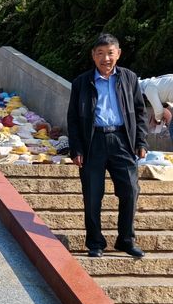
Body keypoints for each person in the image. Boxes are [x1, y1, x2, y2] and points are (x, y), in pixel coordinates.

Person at [67, 33, 148, 259]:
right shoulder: (81, 83)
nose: (106, 58)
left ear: (118, 54)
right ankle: (95, 242)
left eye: (110, 53)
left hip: (123, 141)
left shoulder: (129, 78)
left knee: (130, 191)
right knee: (92, 195)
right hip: (93, 143)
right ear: (93, 56)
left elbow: (140, 113)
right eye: (100, 54)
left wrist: (141, 140)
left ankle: (126, 240)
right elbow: (72, 118)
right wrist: (77, 149)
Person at [139, 74, 173, 145]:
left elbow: (159, 111)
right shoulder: (155, 81)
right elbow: (167, 94)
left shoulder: (148, 88)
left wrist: (157, 120)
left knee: (172, 128)